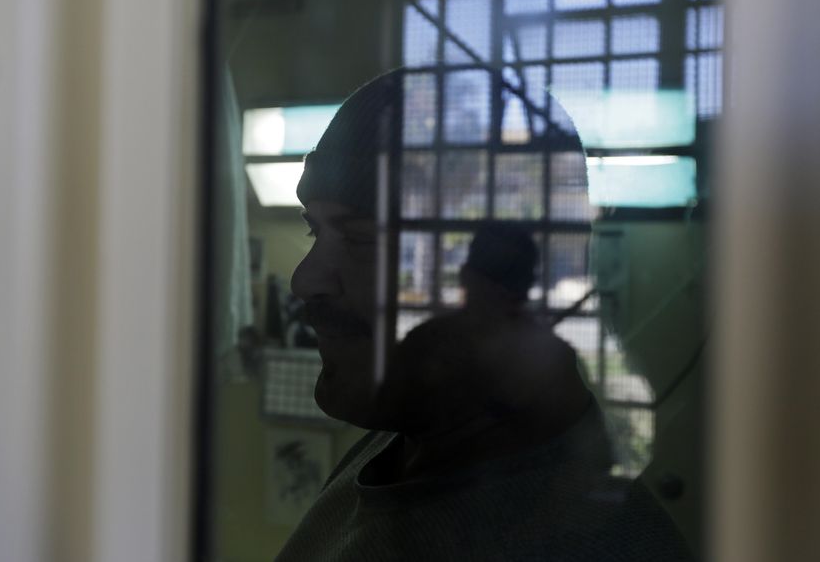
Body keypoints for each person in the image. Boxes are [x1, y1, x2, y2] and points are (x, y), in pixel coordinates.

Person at [277, 69, 694, 561]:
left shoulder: (593, 547)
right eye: (315, 231)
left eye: (363, 238)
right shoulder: (408, 444)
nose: (306, 280)